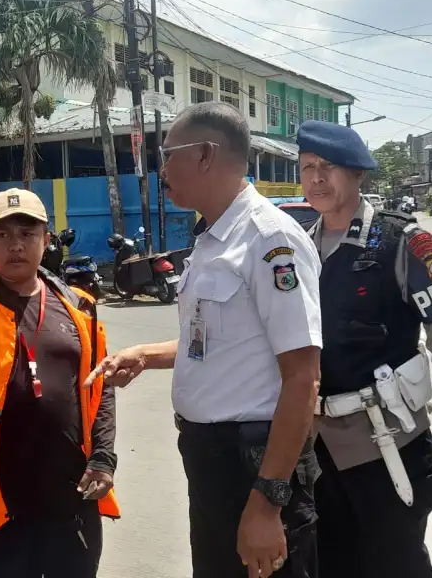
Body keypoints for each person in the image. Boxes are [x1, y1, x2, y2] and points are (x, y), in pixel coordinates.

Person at [87, 102, 322, 578]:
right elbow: (220, 346)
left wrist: (268, 502)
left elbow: (302, 377)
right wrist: (146, 355)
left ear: (207, 155)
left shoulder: (269, 239)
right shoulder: (214, 238)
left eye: (168, 154)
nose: (162, 169)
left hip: (252, 464)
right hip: (212, 461)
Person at [0, 187, 120, 578]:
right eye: (3, 234)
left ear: (46, 240)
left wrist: (103, 457)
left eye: (27, 234)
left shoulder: (80, 307)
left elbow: (102, 387)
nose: (16, 245)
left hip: (70, 496)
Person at [296, 120, 432, 578]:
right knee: (332, 564)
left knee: (398, 565)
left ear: (358, 173)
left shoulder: (403, 242)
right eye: (307, 167)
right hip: (319, 451)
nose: (316, 178)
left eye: (329, 167)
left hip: (390, 445)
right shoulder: (298, 249)